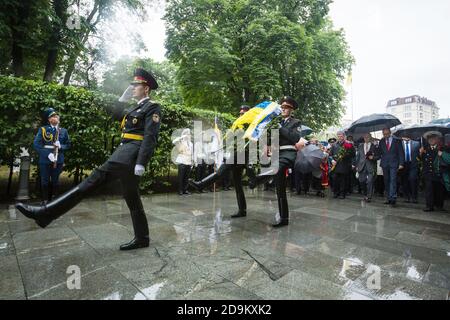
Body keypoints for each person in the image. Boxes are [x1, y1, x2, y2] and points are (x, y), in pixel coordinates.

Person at [16, 68, 161, 251]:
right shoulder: (135, 107)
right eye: (132, 85)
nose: (132, 88)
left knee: (90, 182)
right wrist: (121, 100)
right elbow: (116, 116)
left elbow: (150, 136)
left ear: (146, 88)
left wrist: (142, 161)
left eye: (136, 85)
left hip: (128, 156)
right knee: (131, 197)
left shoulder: (152, 107)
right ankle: (143, 237)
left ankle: (46, 213)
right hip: (125, 154)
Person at [248, 96, 304, 227]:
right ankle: (284, 218)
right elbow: (270, 138)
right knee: (280, 188)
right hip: (277, 153)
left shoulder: (296, 122)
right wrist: (267, 144)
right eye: (282, 107)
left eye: (287, 107)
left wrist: (280, 127)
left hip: (288, 153)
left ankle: (257, 180)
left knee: (276, 167)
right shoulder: (275, 122)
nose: (284, 109)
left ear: (292, 110)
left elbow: (295, 138)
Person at [189, 105, 253, 218]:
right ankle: (242, 210)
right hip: (237, 154)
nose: (241, 115)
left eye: (243, 113)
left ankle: (201, 184)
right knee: (237, 185)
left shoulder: (251, 125)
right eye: (240, 113)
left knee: (221, 171)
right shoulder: (238, 125)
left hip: (242, 154)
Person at [34, 108, 70, 202]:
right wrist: (48, 154)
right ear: (49, 119)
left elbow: (68, 145)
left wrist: (61, 146)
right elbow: (37, 145)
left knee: (56, 181)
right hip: (45, 159)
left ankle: (55, 200)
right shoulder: (43, 130)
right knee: (45, 181)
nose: (56, 117)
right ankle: (45, 200)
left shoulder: (63, 131)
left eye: (56, 116)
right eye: (53, 116)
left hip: (58, 159)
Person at [377, 128, 405, 206]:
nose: (385, 135)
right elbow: (379, 153)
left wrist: (401, 163)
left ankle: (393, 198)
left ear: (390, 133)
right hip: (385, 164)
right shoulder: (381, 141)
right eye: (384, 134)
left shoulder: (397, 140)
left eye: (387, 134)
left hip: (394, 163)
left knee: (393, 180)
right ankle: (388, 197)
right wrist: (375, 150)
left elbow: (401, 153)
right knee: (386, 181)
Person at [420, 133, 446, 212]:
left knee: (439, 190)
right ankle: (429, 206)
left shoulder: (442, 148)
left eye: (433, 138)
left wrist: (442, 155)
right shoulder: (425, 148)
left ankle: (439, 206)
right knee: (429, 190)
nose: (431, 140)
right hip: (428, 173)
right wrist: (420, 153)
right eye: (429, 139)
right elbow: (420, 160)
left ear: (437, 139)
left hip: (438, 173)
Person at [329, 131, 355, 199]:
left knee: (343, 180)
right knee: (335, 179)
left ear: (344, 136)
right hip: (335, 165)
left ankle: (342, 194)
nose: (340, 137)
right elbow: (330, 155)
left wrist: (346, 154)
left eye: (341, 136)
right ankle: (335, 193)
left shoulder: (349, 144)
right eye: (338, 136)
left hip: (344, 165)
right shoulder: (334, 145)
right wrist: (332, 160)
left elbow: (353, 155)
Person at [355, 133, 377, 202]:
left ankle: (369, 196)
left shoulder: (374, 146)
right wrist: (356, 166)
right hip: (361, 166)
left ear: (370, 138)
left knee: (370, 181)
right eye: (365, 137)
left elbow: (378, 156)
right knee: (362, 181)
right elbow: (358, 156)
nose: (366, 138)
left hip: (370, 166)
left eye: (368, 137)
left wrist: (373, 157)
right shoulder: (360, 146)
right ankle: (365, 194)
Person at [173, 128, 193, 195]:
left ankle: (185, 190)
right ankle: (180, 190)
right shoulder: (180, 141)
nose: (188, 135)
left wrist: (192, 161)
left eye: (189, 134)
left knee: (186, 177)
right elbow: (174, 141)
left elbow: (191, 153)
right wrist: (182, 137)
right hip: (182, 161)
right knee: (181, 177)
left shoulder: (191, 143)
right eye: (187, 134)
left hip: (188, 161)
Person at [401, 136, 420, 203]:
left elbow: (419, 155)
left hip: (413, 164)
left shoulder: (417, 144)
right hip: (403, 165)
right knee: (405, 181)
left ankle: (414, 197)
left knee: (413, 179)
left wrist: (420, 153)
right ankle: (406, 197)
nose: (405, 138)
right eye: (403, 136)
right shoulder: (400, 144)